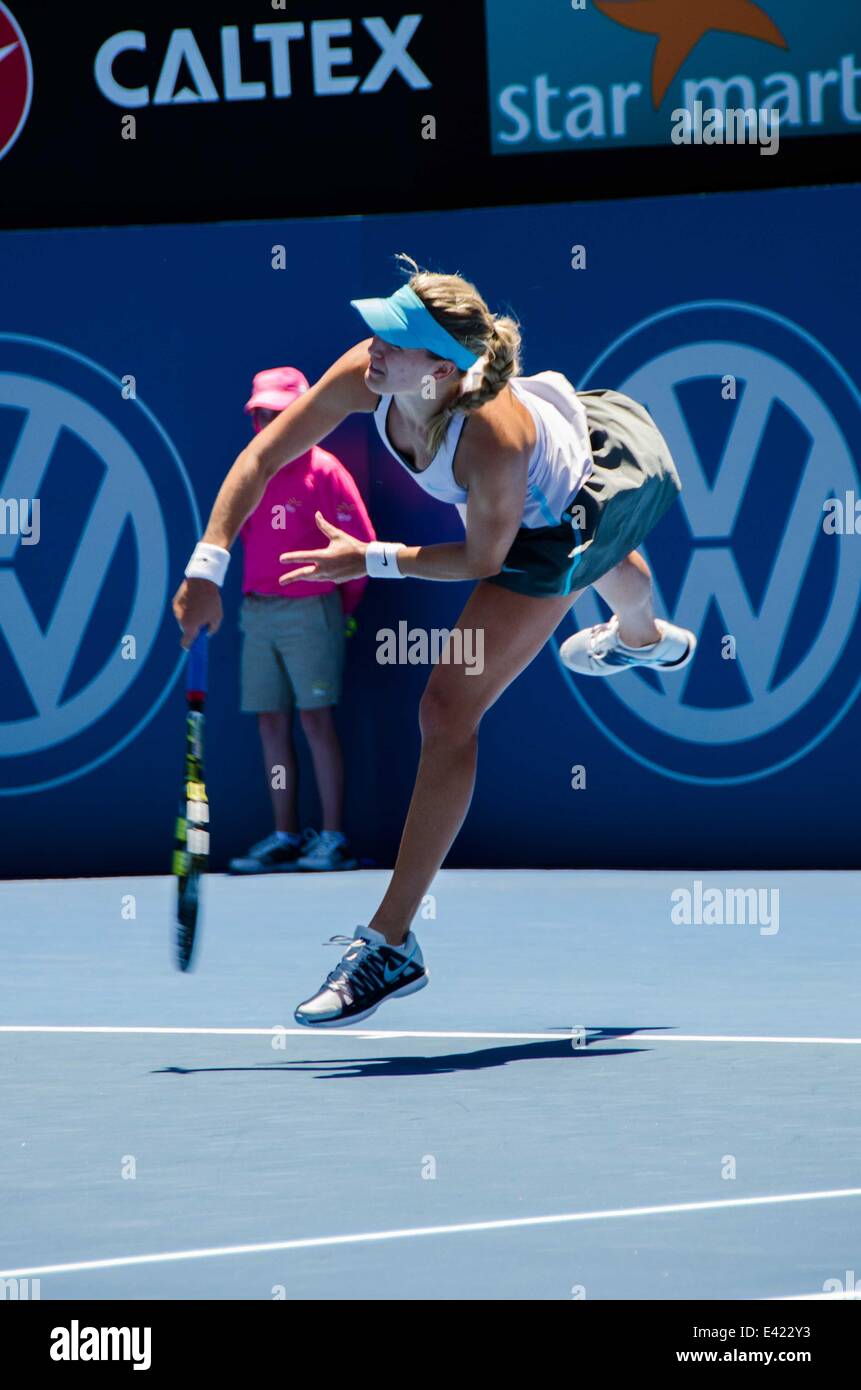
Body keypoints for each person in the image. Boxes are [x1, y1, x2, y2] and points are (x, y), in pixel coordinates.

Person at [173, 253, 695, 1026]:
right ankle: (643, 637)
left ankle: (391, 944)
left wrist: (369, 559)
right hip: (562, 461)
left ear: (444, 370)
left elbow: (485, 560)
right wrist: (208, 562)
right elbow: (265, 453)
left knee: (447, 712)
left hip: (548, 524)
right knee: (614, 561)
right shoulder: (372, 377)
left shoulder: (492, 438)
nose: (372, 348)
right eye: (377, 331)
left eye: (394, 339)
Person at [226, 366, 375, 874]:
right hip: (258, 612)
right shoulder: (250, 470)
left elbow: (362, 553)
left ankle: (333, 838)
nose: (269, 424)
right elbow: (241, 538)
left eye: (280, 415)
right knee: (272, 723)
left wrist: (340, 611)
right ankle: (286, 834)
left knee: (315, 720)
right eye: (262, 415)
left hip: (314, 612)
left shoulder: (327, 471)